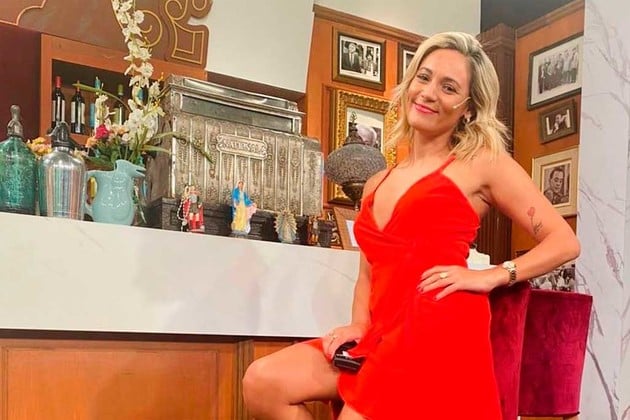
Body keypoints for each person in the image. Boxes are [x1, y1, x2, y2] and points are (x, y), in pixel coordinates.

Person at [242, 32, 580, 419]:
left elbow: (564, 241)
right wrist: (358, 324)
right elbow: (367, 273)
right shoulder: (376, 182)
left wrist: (493, 275)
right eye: (424, 77)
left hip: (436, 328)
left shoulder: (482, 164)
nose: (429, 93)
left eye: (448, 87)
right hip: (382, 332)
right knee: (262, 382)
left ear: (468, 108)